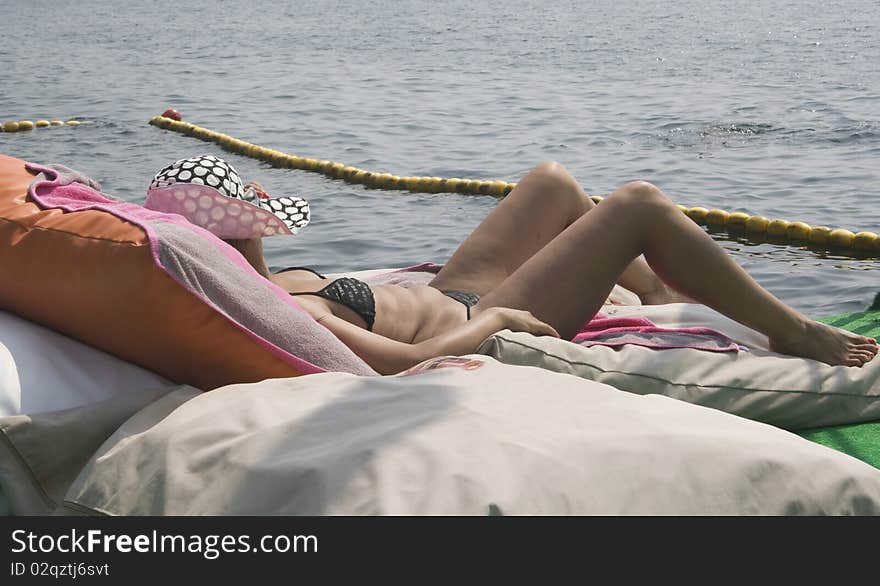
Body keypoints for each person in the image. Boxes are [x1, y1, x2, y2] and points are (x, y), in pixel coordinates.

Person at [146, 154, 878, 375]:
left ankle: (656, 298)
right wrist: (495, 319)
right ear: (241, 225)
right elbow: (408, 361)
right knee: (639, 205)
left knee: (553, 183)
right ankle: (794, 331)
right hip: (474, 316)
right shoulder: (280, 305)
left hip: (450, 289)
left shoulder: (266, 280)